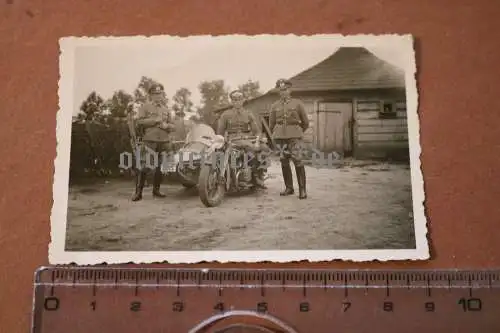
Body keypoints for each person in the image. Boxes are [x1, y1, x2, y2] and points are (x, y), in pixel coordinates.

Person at [131, 83, 176, 201]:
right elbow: (139, 122)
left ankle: (156, 190)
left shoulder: (166, 109)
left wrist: (167, 126)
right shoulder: (145, 107)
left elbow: (173, 126)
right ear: (151, 95)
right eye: (155, 94)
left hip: (164, 141)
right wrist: (155, 120)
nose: (158, 96)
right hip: (150, 140)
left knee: (161, 167)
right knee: (145, 166)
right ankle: (138, 193)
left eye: (160, 94)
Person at [216, 89, 268, 188]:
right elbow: (220, 132)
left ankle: (257, 176)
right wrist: (220, 141)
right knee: (218, 154)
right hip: (232, 140)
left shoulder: (248, 114)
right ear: (231, 101)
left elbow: (256, 131)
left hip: (247, 139)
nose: (237, 101)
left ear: (243, 100)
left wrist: (257, 140)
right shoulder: (225, 114)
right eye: (234, 99)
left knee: (262, 149)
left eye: (239, 99)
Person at [269, 78, 309, 199]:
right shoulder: (274, 105)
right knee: (284, 162)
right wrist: (276, 134)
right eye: (281, 90)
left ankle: (302, 190)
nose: (283, 92)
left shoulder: (297, 103)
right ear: (278, 92)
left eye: (285, 90)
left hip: (294, 136)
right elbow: (271, 124)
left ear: (290, 90)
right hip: (280, 137)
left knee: (298, 161)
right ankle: (289, 188)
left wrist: (297, 132)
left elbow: (305, 123)